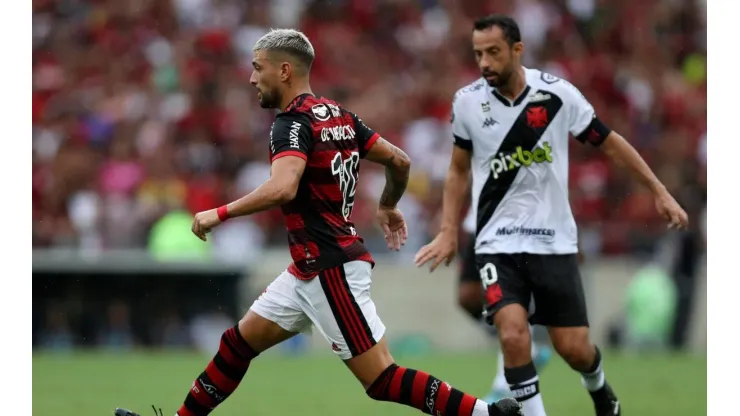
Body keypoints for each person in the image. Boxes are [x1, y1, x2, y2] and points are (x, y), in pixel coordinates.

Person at [115, 29, 521, 416]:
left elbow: (284, 187)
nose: (253, 78)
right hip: (307, 270)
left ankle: (485, 413)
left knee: (381, 378)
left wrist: (218, 213)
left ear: (285, 71)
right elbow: (399, 161)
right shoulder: (340, 117)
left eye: (259, 68)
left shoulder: (291, 124)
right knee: (237, 344)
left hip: (330, 267)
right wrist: (388, 203)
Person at [414, 15, 689, 416]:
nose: (485, 63)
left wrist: (659, 192)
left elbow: (610, 143)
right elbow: (457, 170)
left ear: (517, 50)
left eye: (493, 52)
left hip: (552, 241)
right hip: (497, 242)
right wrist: (447, 231)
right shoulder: (468, 102)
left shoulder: (557, 95)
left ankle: (600, 391)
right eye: (478, 54)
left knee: (574, 348)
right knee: (512, 334)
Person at [457, 208, 553, 404]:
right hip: (480, 220)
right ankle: (529, 349)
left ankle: (502, 386)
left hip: (512, 226)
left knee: (509, 303)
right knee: (467, 296)